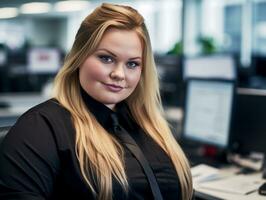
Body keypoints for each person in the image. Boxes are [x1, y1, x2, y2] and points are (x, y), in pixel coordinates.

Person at [0, 3, 192, 200]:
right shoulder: (39, 129)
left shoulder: (150, 126)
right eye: (106, 58)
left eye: (132, 64)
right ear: (79, 57)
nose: (119, 74)